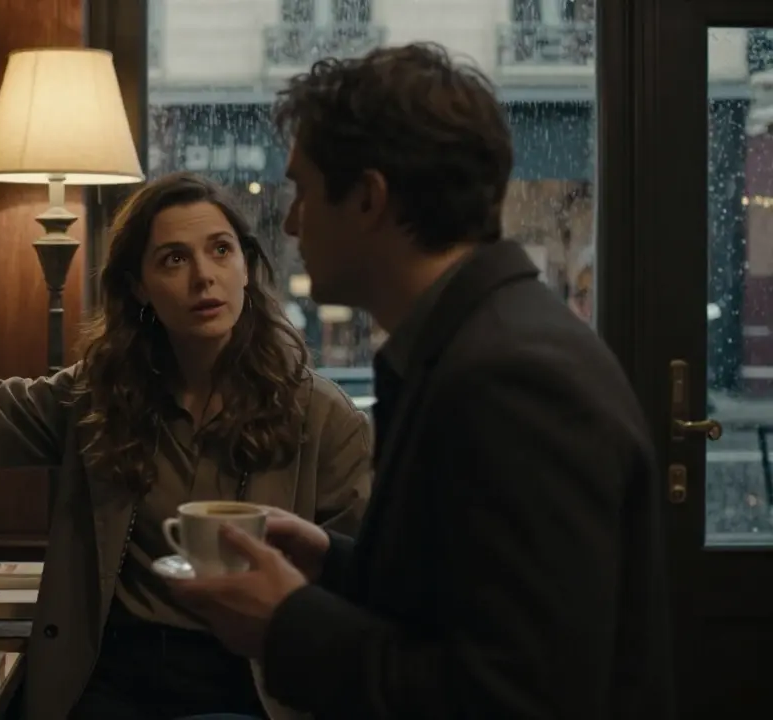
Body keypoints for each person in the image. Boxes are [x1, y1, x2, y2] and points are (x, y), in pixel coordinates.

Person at [168, 42, 673, 719]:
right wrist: (334, 567)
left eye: (304, 191)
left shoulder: (514, 379)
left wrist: (286, 623)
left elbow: (519, 698)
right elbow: (467, 606)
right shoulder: (477, 343)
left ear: (370, 200)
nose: (291, 222)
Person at [0, 171, 373, 720]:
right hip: (115, 673)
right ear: (138, 287)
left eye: (221, 250)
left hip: (252, 678)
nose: (204, 276)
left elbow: (359, 582)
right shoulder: (98, 394)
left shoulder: (321, 415)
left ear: (246, 269)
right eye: (174, 259)